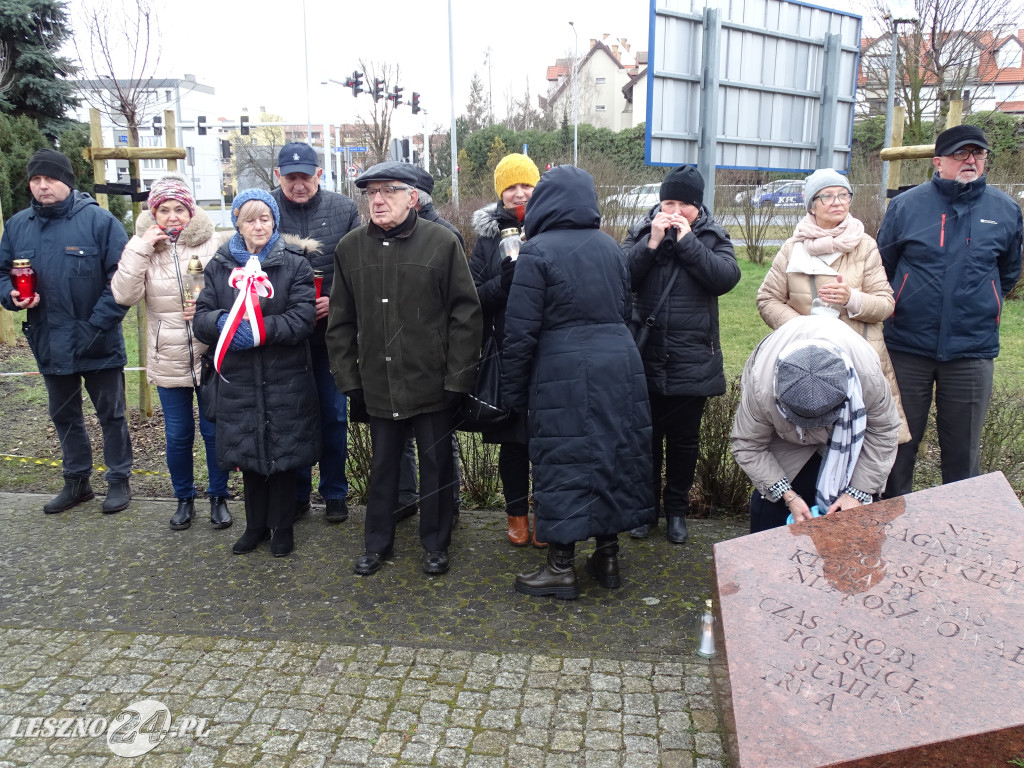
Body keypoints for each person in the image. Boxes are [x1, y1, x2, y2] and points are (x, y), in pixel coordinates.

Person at [501, 165, 654, 600]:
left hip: (562, 370)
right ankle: (607, 557)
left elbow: (520, 331)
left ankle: (560, 567)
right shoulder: (609, 247)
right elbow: (625, 309)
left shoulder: (536, 251)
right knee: (612, 454)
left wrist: (512, 393)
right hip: (620, 366)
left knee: (564, 461)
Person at [326, 162, 482, 577]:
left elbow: (466, 315)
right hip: (378, 382)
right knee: (384, 469)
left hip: (431, 380)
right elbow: (339, 323)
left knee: (436, 467)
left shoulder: (441, 243)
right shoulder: (350, 248)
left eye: (388, 191)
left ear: (412, 197)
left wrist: (458, 378)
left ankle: (436, 544)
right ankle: (376, 545)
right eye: (370, 192)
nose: (377, 200)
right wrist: (349, 379)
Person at [878, 124, 1023, 497]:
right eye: (961, 154)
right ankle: (894, 527)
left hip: (971, 350)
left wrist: (984, 300)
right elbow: (884, 266)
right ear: (938, 161)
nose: (971, 161)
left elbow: (1007, 271)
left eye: (978, 154)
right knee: (899, 445)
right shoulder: (906, 206)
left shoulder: (1006, 210)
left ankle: (959, 536)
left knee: (963, 453)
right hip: (908, 346)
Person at [0, 149, 133, 515]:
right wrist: (10, 296)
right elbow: (3, 272)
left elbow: (122, 281)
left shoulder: (100, 223)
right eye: (35, 180)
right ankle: (77, 482)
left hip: (98, 340)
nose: (42, 186)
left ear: (68, 182)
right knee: (64, 415)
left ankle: (119, 480)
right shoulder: (17, 226)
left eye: (50, 179)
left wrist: (98, 325)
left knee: (112, 415)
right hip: (49, 340)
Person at [192, 189, 319, 558]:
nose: (258, 225)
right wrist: (226, 324)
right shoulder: (218, 266)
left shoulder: (294, 264)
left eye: (265, 218)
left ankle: (282, 527)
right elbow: (201, 318)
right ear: (237, 223)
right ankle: (254, 526)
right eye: (250, 219)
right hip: (239, 378)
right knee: (248, 453)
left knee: (281, 456)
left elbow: (302, 318)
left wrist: (257, 331)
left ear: (275, 221)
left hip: (285, 377)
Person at [622, 165, 740, 544]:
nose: (674, 211)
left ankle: (676, 512)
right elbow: (622, 277)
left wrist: (688, 242)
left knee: (685, 442)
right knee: (647, 440)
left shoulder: (712, 236)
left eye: (683, 204)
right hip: (646, 356)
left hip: (692, 360)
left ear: (697, 206)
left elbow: (725, 278)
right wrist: (651, 243)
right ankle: (645, 513)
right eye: (668, 202)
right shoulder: (642, 232)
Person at [112, 174, 233, 530]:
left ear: (190, 211)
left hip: (208, 354)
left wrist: (208, 307)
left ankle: (219, 496)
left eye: (179, 208)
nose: (172, 216)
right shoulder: (143, 247)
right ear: (154, 214)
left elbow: (232, 291)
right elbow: (123, 295)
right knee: (178, 434)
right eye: (164, 209)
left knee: (213, 431)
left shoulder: (212, 243)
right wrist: (141, 247)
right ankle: (183, 498)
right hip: (168, 356)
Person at [757, 167, 910, 443]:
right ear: (812, 205)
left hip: (860, 357)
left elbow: (886, 304)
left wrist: (852, 298)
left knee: (863, 443)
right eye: (826, 196)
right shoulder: (794, 248)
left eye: (843, 195)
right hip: (808, 361)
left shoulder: (865, 246)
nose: (837, 202)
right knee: (810, 439)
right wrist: (803, 329)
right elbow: (767, 299)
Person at [731, 315, 901, 533]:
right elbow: (748, 444)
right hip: (784, 438)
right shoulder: (761, 387)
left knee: (851, 527)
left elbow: (884, 432)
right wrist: (789, 496)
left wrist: (857, 492)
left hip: (848, 437)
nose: (813, 428)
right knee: (768, 515)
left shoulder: (867, 376)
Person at [271, 142, 361, 524]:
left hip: (330, 335)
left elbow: (359, 264)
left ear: (319, 175)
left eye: (305, 177)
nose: (298, 185)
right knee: (290, 417)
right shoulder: (267, 210)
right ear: (279, 177)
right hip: (285, 335)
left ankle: (335, 492)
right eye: (290, 178)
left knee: (333, 416)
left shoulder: (344, 209)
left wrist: (336, 302)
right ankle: (297, 494)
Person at [469, 153, 541, 547]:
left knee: (545, 438)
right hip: (505, 350)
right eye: (510, 187)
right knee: (513, 441)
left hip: (546, 350)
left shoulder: (550, 227)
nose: (518, 193)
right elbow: (473, 296)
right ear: (500, 192)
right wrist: (504, 282)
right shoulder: (487, 238)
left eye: (525, 185)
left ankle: (545, 512)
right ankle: (516, 515)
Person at [394, 165, 464, 526]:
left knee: (437, 439)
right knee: (401, 431)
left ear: (414, 198)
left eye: (393, 192)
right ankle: (407, 498)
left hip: (431, 353)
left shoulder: (444, 236)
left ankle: (446, 504)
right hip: (400, 349)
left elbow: (458, 304)